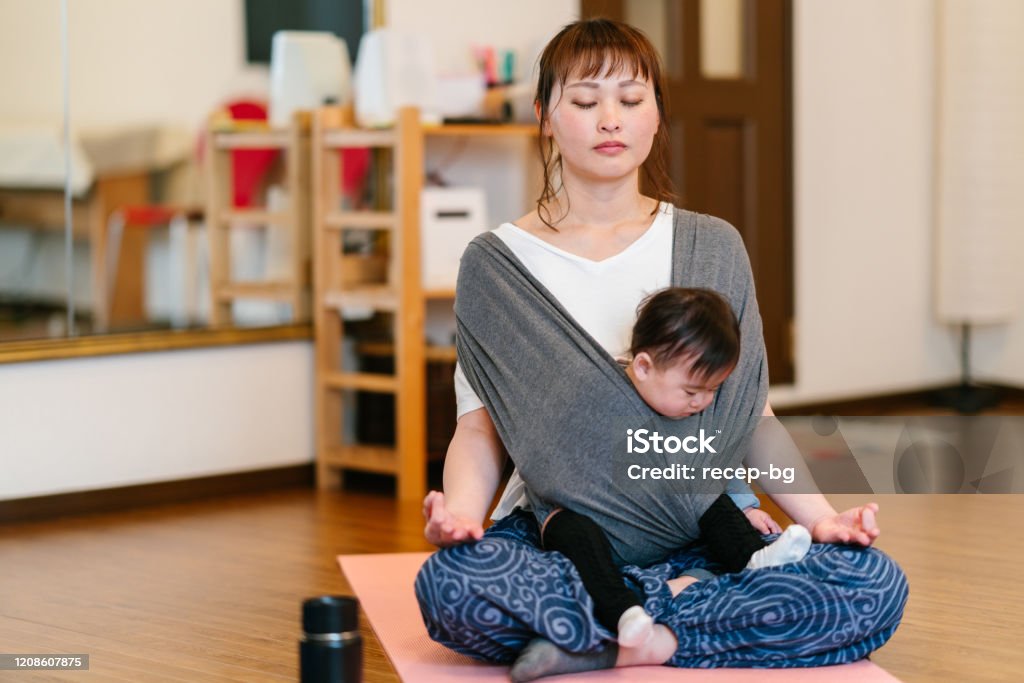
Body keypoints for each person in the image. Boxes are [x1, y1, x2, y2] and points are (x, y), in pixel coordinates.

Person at [416, 18, 906, 682]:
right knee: (451, 588)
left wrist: (821, 520)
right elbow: (479, 427)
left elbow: (752, 418)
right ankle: (682, 622)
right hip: (565, 544)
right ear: (546, 118)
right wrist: (464, 520)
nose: (610, 118)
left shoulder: (715, 247)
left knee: (874, 583)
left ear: (656, 119)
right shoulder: (496, 268)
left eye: (632, 99)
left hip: (710, 537)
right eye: (586, 101)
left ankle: (614, 633)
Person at [540, 287, 812, 649]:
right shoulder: (602, 396)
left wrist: (744, 506)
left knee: (705, 493)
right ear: (643, 367)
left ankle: (752, 557)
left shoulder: (688, 412)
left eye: (714, 389)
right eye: (691, 391)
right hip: (598, 518)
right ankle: (622, 610)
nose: (703, 402)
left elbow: (711, 458)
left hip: (666, 522)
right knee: (566, 529)